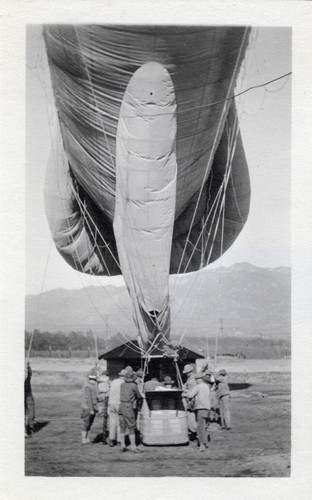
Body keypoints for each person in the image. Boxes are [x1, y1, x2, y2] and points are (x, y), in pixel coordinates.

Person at [184, 373, 211, 451]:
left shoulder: (198, 386)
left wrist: (185, 392)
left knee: (200, 428)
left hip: (200, 408)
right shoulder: (207, 386)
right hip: (207, 409)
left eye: (196, 379)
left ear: (198, 379)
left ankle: (202, 446)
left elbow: (190, 395)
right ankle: (206, 442)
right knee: (205, 427)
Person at [118, 371, 142, 452]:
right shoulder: (133, 385)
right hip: (128, 406)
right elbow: (139, 395)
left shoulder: (122, 385)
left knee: (122, 426)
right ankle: (133, 446)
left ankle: (122, 445)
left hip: (121, 405)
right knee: (132, 426)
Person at [107, 369, 126, 446]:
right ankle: (119, 440)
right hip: (119, 404)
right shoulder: (123, 383)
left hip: (111, 403)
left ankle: (111, 439)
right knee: (119, 423)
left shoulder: (114, 381)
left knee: (112, 422)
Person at [80, 367, 98, 444]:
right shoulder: (88, 386)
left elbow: (93, 398)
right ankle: (84, 439)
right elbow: (89, 399)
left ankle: (87, 438)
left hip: (92, 407)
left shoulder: (92, 386)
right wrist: (91, 409)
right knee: (86, 423)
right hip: (88, 407)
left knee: (90, 423)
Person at [182, 364, 197, 436]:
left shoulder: (194, 378)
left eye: (187, 372)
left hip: (193, 399)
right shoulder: (189, 378)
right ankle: (192, 430)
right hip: (189, 398)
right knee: (190, 415)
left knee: (192, 416)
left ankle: (194, 431)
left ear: (190, 371)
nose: (186, 374)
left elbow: (194, 389)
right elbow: (185, 385)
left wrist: (187, 392)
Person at [97, 369, 110, 444]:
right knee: (101, 405)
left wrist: (98, 374)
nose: (104, 375)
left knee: (105, 404)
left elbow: (98, 379)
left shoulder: (106, 378)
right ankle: (100, 412)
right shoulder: (104, 378)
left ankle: (103, 412)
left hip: (105, 393)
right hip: (101, 392)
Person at [25, 361, 35, 437]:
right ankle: (28, 428)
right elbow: (29, 375)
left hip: (27, 392)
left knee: (30, 408)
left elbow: (30, 375)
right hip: (26, 392)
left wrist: (28, 367)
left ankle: (29, 427)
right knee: (30, 407)